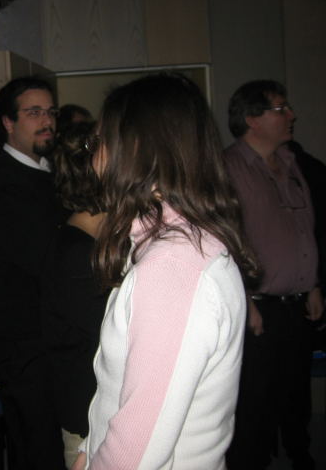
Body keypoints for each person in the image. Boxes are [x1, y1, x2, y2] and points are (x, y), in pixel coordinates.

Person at [72, 73, 257, 470]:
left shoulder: (172, 267)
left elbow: (139, 448)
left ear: (138, 148)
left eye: (100, 141)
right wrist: (90, 447)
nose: (94, 155)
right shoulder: (179, 242)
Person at [0, 77, 67, 469]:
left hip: (48, 340)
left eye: (51, 112)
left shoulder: (47, 172)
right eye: (34, 112)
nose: (47, 121)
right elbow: (47, 265)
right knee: (39, 455)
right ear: (8, 122)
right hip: (22, 349)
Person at [224, 80, 324, 470]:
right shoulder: (228, 168)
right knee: (256, 401)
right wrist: (245, 300)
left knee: (296, 392)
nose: (291, 115)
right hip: (257, 307)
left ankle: (300, 453)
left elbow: (304, 230)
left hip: (296, 302)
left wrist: (312, 285)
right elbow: (224, 241)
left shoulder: (292, 163)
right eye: (280, 109)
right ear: (252, 119)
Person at [40, 120, 108, 468]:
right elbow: (115, 338)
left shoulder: (94, 243)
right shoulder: (77, 254)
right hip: (89, 422)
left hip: (99, 413)